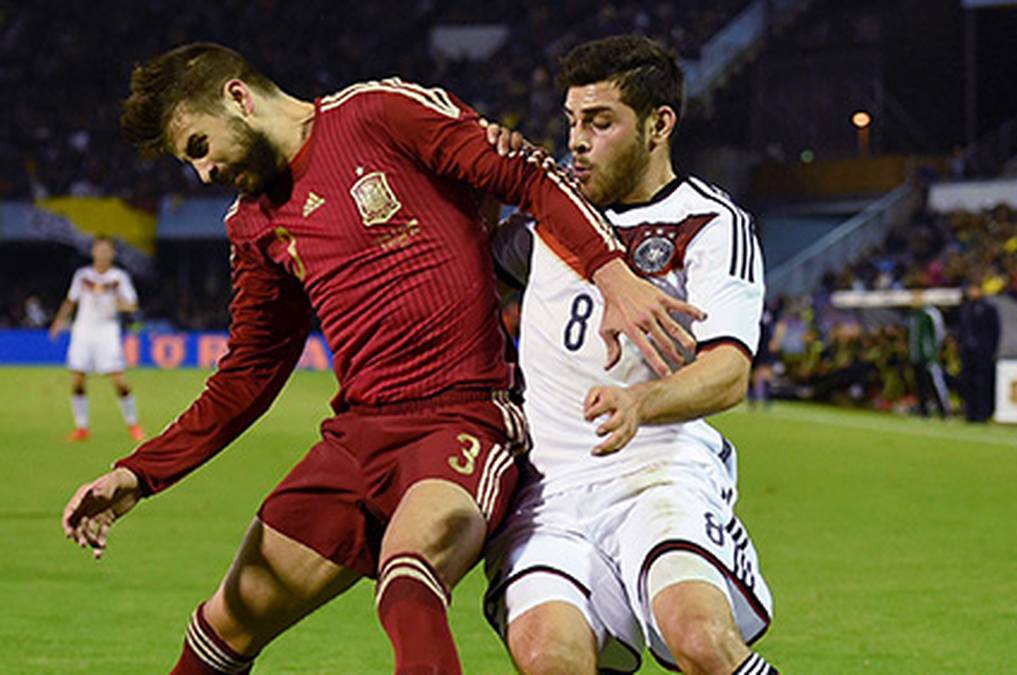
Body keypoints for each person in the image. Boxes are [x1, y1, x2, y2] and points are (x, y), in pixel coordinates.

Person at [60, 42, 703, 675]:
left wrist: (613, 274)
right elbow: (249, 373)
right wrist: (138, 475)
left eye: (199, 147)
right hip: (358, 436)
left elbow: (526, 177)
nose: (203, 172)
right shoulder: (252, 225)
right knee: (225, 622)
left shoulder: (379, 113)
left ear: (238, 98)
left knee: (408, 572)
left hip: (463, 419)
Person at [483, 35, 776, 675]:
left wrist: (640, 402)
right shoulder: (546, 219)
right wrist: (481, 187)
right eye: (571, 123)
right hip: (549, 494)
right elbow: (455, 278)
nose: (578, 141)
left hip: (660, 474)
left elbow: (728, 374)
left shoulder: (710, 224)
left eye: (600, 122)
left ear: (658, 125)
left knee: (701, 640)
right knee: (547, 657)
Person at [48, 235, 144, 442]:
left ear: (112, 253)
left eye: (106, 250)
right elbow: (70, 300)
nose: (102, 253)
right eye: (98, 249)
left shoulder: (119, 277)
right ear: (92, 252)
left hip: (107, 331)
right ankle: (82, 427)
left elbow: (132, 305)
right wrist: (58, 322)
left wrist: (113, 297)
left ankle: (133, 423)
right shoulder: (83, 275)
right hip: (82, 330)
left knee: (119, 381)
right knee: (78, 379)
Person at [956, 282, 1001, 423]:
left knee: (982, 383)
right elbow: (961, 329)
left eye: (974, 289)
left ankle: (983, 413)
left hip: (983, 353)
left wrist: (990, 350)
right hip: (967, 352)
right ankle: (970, 412)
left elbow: (995, 331)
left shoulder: (988, 309)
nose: (972, 292)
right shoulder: (966, 309)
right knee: (968, 382)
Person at [908, 298, 949, 418]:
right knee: (920, 384)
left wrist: (933, 351)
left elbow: (939, 333)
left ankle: (944, 411)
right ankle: (923, 411)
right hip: (916, 355)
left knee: (936, 382)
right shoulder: (914, 315)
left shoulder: (930, 313)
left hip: (929, 356)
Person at [748, 296, 787, 409]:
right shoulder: (756, 302)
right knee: (753, 369)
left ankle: (766, 397)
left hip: (767, 341)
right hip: (755, 339)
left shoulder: (775, 306)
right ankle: (753, 397)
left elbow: (781, 324)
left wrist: (776, 340)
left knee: (765, 369)